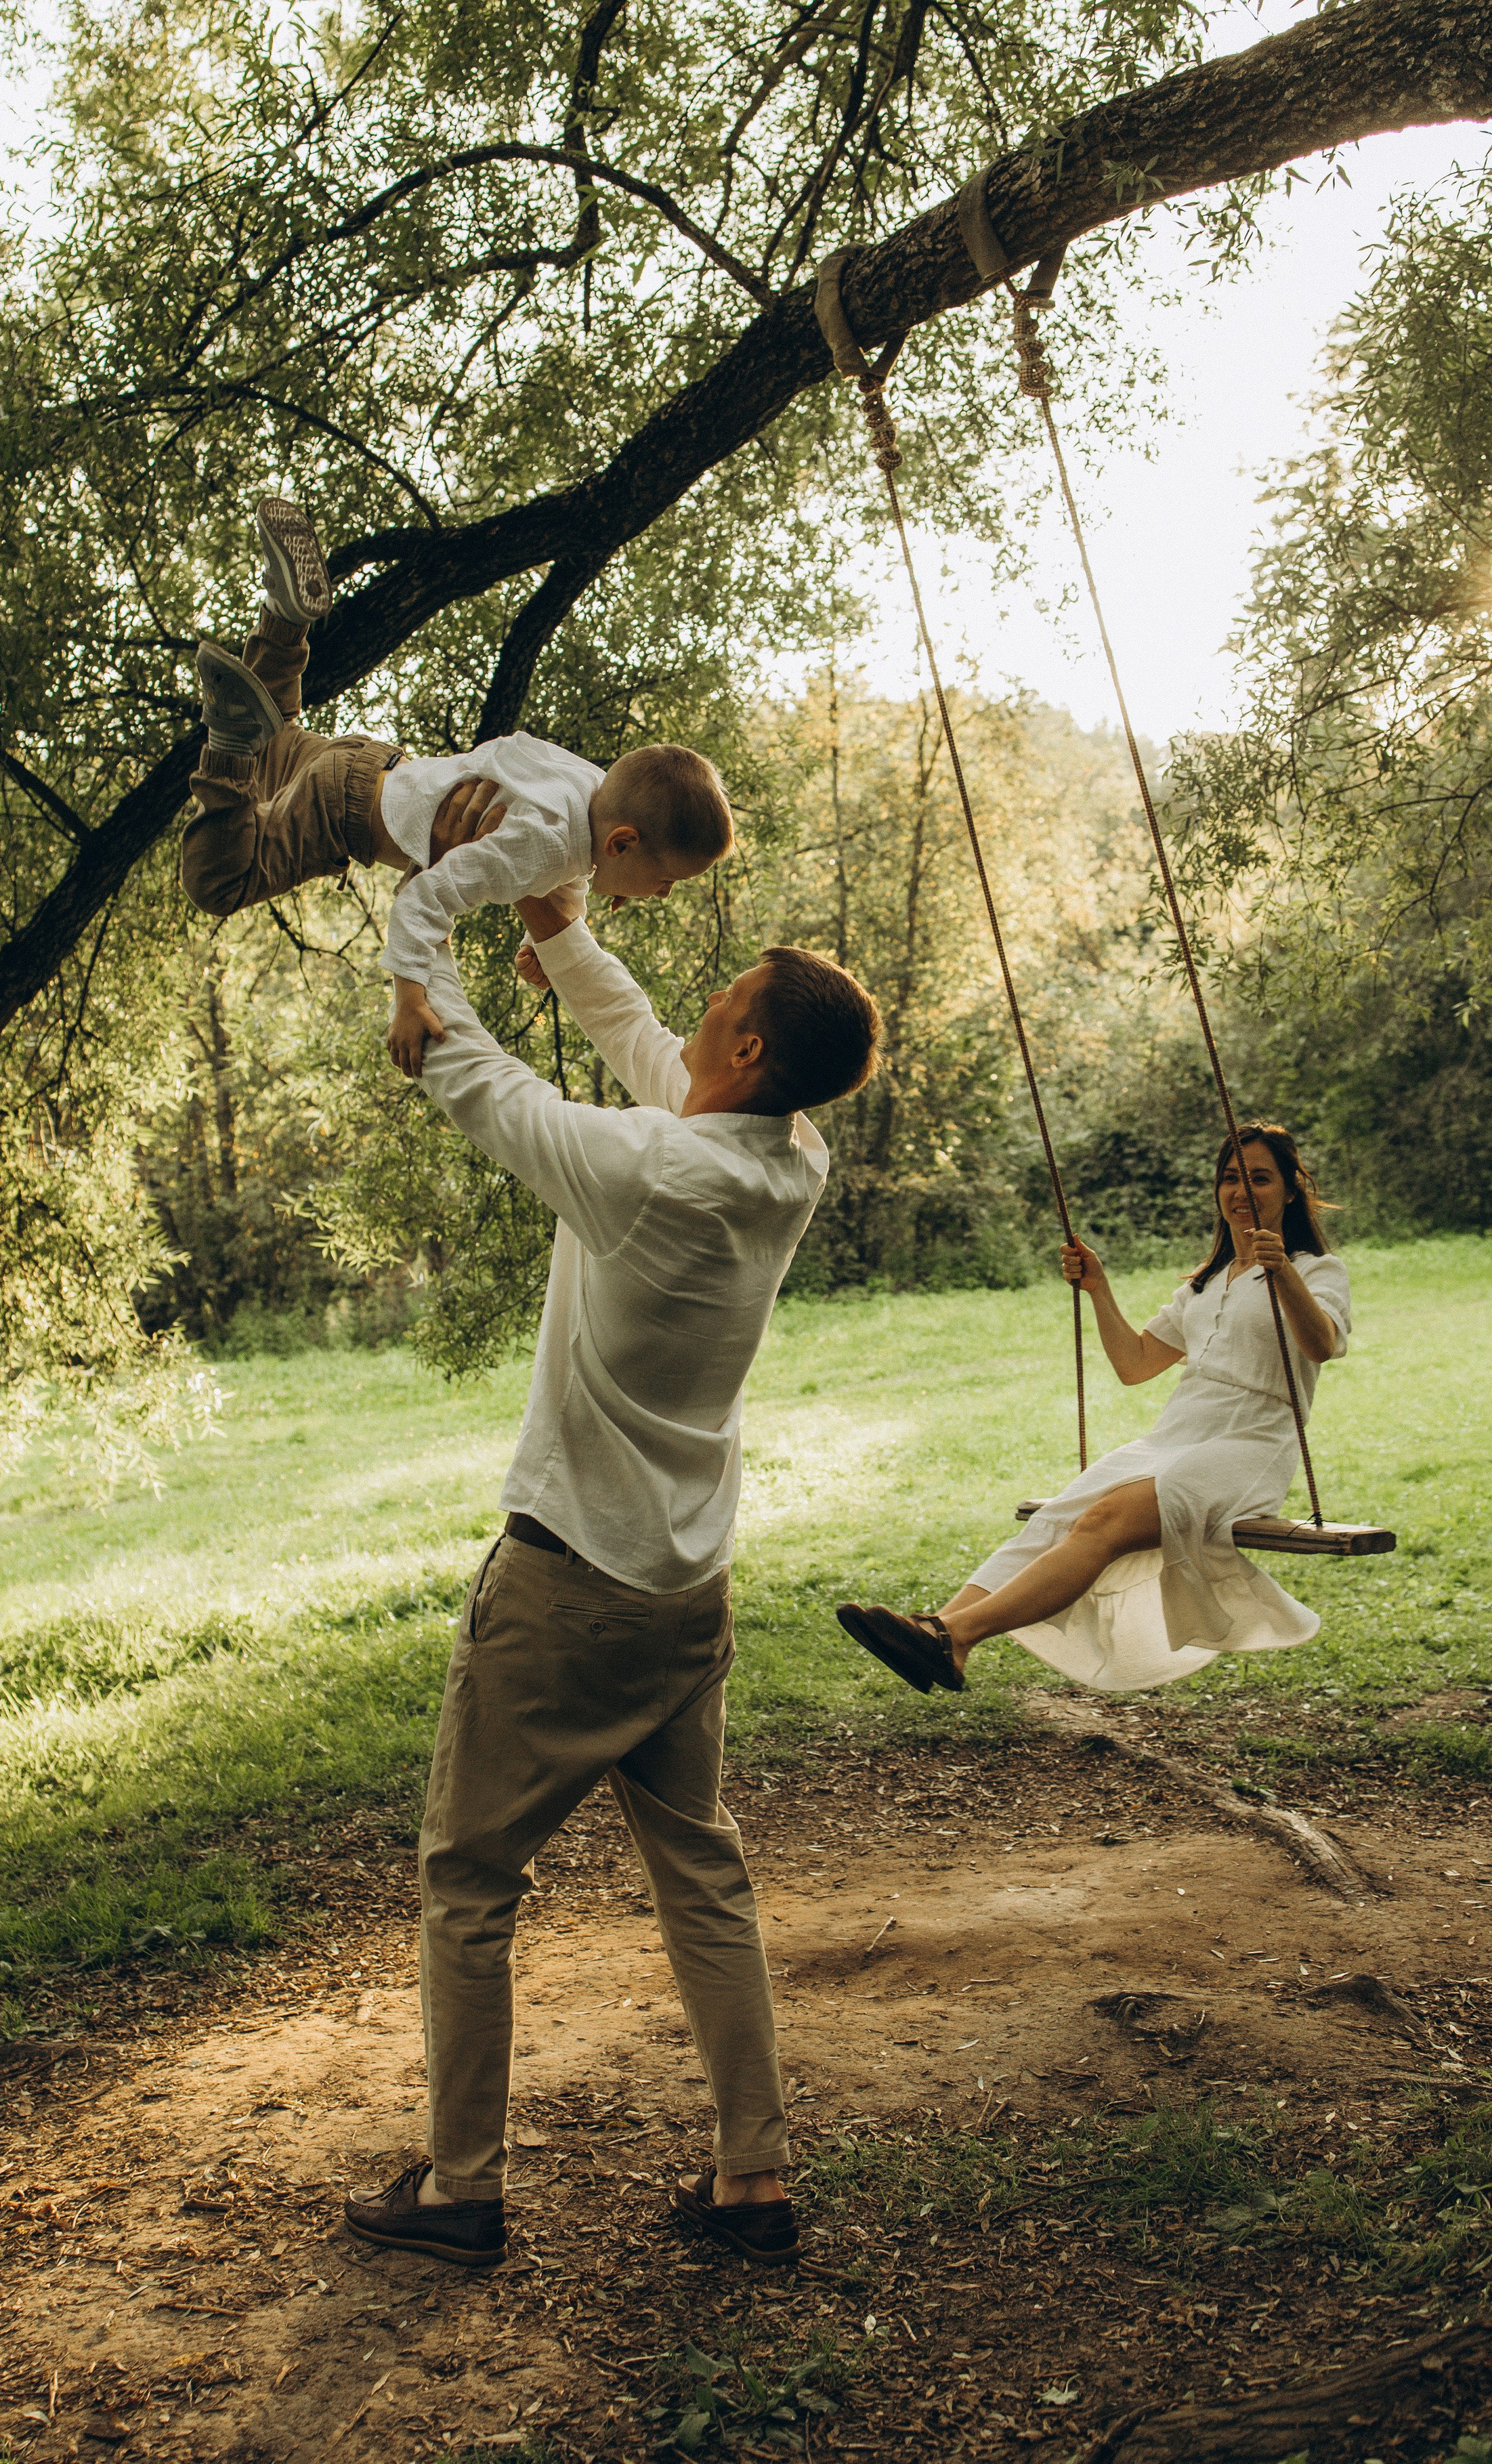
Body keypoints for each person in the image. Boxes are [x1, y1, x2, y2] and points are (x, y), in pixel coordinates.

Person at [340, 781, 882, 2272]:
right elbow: (655, 1062)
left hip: (568, 1590)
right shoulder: (782, 1160)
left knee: (467, 1882)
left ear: (751, 1047)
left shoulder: (643, 1173)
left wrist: (424, 944)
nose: (695, 1015)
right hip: (684, 1592)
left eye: (718, 1004)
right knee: (697, 1865)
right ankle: (752, 2182)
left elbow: (481, 1087)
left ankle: (459, 2190)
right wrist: (567, 935)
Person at [180, 500, 736, 1076]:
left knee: (274, 738)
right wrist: (410, 998)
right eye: (667, 880)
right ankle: (226, 747)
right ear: (621, 843)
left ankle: (284, 618)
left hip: (375, 767)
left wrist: (572, 919)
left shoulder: (587, 788)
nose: (665, 893)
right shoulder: (544, 849)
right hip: (343, 814)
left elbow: (572, 854)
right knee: (217, 881)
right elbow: (428, 897)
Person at [838, 1123, 1350, 1696]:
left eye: (1260, 1179)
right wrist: (1099, 1287)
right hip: (1177, 1435)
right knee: (1060, 1516)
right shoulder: (1204, 1287)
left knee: (1103, 1520)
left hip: (1250, 1444)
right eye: (1230, 1179)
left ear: (1289, 1191)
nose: (1242, 1192)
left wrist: (1281, 1272)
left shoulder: (1316, 1272)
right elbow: (1135, 1364)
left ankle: (953, 1636)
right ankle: (937, 1632)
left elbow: (1321, 1345)